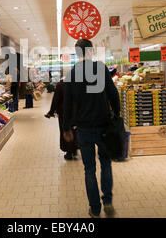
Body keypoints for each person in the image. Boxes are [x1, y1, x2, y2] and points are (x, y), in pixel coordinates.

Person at [62, 39, 120, 218]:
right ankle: (108, 202)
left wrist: (66, 127)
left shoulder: (72, 74)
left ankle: (95, 210)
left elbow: (67, 104)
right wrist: (116, 115)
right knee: (106, 163)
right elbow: (113, 94)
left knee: (89, 169)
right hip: (104, 125)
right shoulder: (101, 68)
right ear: (91, 51)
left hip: (84, 128)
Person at [44, 73, 78, 160]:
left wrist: (51, 111)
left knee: (65, 129)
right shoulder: (77, 83)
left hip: (63, 112)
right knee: (74, 130)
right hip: (75, 111)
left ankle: (69, 152)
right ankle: (74, 149)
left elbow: (56, 99)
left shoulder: (61, 84)